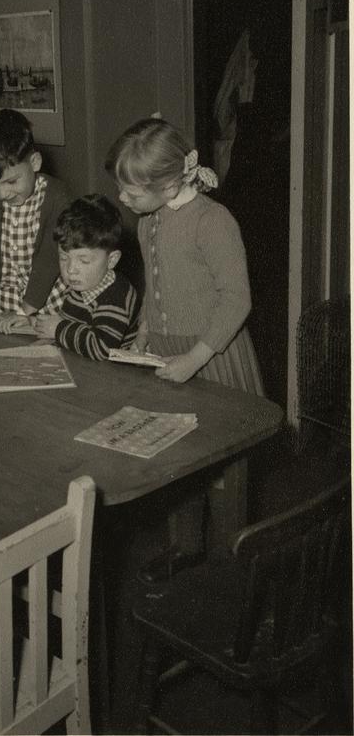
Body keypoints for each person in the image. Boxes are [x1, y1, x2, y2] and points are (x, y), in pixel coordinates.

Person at [105, 116, 264, 583]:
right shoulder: (148, 221)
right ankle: (186, 546)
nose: (123, 200)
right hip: (166, 352)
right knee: (177, 458)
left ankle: (230, 561)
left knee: (223, 470)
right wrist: (144, 329)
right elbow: (155, 285)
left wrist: (196, 357)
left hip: (214, 356)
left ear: (172, 180)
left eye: (132, 192)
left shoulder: (213, 221)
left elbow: (237, 298)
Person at [0, 109, 73, 341]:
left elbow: (49, 260)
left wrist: (24, 312)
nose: (2, 193)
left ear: (35, 162)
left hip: (48, 294)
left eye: (11, 181)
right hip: (6, 299)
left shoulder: (58, 197)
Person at [31, 194, 140, 359]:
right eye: (63, 257)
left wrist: (58, 330)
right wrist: (34, 324)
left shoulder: (117, 295)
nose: (71, 269)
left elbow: (102, 348)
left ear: (111, 260)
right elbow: (71, 329)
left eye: (83, 260)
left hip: (119, 374)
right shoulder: (81, 284)